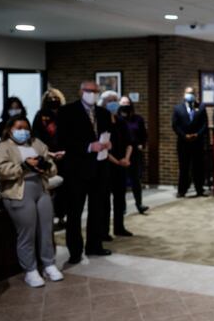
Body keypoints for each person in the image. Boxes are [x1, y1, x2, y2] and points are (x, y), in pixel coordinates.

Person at [0, 116, 63, 288]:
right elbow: (1, 171)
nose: (23, 131)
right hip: (19, 191)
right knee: (27, 233)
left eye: (26, 128)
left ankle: (48, 264)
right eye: (19, 128)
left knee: (46, 229)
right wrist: (24, 166)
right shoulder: (2, 147)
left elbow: (52, 166)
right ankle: (30, 270)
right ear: (9, 130)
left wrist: (45, 166)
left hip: (41, 188)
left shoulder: (36, 143)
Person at [57, 81, 113, 264]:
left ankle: (94, 245)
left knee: (97, 210)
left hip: (99, 167)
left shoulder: (103, 113)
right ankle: (75, 250)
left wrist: (107, 144)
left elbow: (107, 134)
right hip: (77, 168)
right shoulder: (67, 112)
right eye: (89, 91)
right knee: (75, 212)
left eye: (96, 91)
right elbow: (62, 140)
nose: (93, 94)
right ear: (81, 91)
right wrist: (88, 146)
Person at [32, 88, 67, 228]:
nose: (53, 100)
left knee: (64, 189)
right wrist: (48, 153)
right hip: (47, 157)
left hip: (64, 156)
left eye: (55, 98)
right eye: (50, 99)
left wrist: (65, 152)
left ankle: (62, 217)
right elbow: (36, 138)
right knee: (48, 188)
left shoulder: (65, 114)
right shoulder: (40, 116)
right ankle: (48, 218)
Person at [100, 91, 133, 238]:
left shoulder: (121, 121)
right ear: (103, 103)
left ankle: (119, 227)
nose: (113, 103)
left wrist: (126, 158)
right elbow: (102, 147)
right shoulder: (101, 122)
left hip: (122, 163)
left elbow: (129, 143)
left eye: (115, 100)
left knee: (120, 198)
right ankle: (104, 230)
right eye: (110, 100)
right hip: (107, 164)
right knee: (105, 200)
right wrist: (117, 161)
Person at [171, 87, 207, 198]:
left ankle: (199, 189)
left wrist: (197, 134)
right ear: (184, 94)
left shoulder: (201, 107)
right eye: (188, 93)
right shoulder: (178, 108)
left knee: (198, 167)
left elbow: (204, 124)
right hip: (183, 143)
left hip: (197, 142)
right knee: (184, 168)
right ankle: (182, 190)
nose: (189, 95)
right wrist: (184, 135)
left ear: (195, 95)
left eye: (191, 93)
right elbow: (175, 125)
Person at [118, 96, 149, 214]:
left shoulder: (137, 119)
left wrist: (142, 144)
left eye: (127, 103)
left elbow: (144, 134)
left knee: (135, 180)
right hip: (120, 153)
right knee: (121, 181)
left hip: (135, 152)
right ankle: (122, 206)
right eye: (123, 103)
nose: (125, 105)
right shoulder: (116, 119)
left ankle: (139, 204)